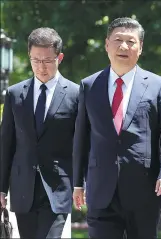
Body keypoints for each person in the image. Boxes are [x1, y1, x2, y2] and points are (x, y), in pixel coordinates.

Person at [72, 17, 161, 238]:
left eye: (131, 42)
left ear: (140, 48)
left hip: (144, 189)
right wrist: (77, 183)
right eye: (118, 40)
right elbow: (81, 137)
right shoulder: (89, 85)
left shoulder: (158, 86)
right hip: (100, 189)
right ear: (106, 45)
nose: (123, 46)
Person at [0, 27, 78, 238]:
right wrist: (1, 188)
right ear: (29, 57)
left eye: (47, 61)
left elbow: (81, 144)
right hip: (23, 187)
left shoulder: (76, 94)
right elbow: (6, 144)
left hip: (58, 188)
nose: (41, 67)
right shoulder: (15, 94)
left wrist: (82, 184)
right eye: (36, 60)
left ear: (59, 58)